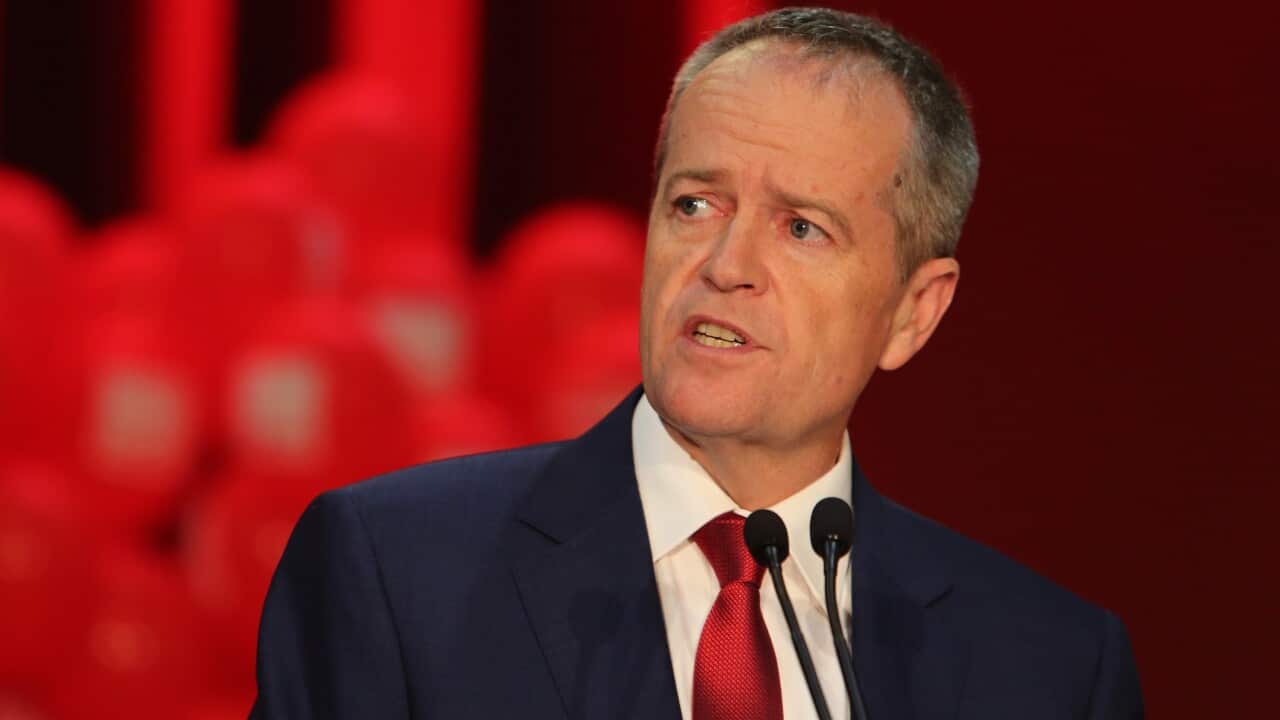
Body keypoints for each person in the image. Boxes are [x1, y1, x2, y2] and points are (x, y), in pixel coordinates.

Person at [251, 7, 1143, 719]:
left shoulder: (1050, 670)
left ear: (914, 312)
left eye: (802, 228)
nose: (725, 264)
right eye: (695, 204)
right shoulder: (396, 572)